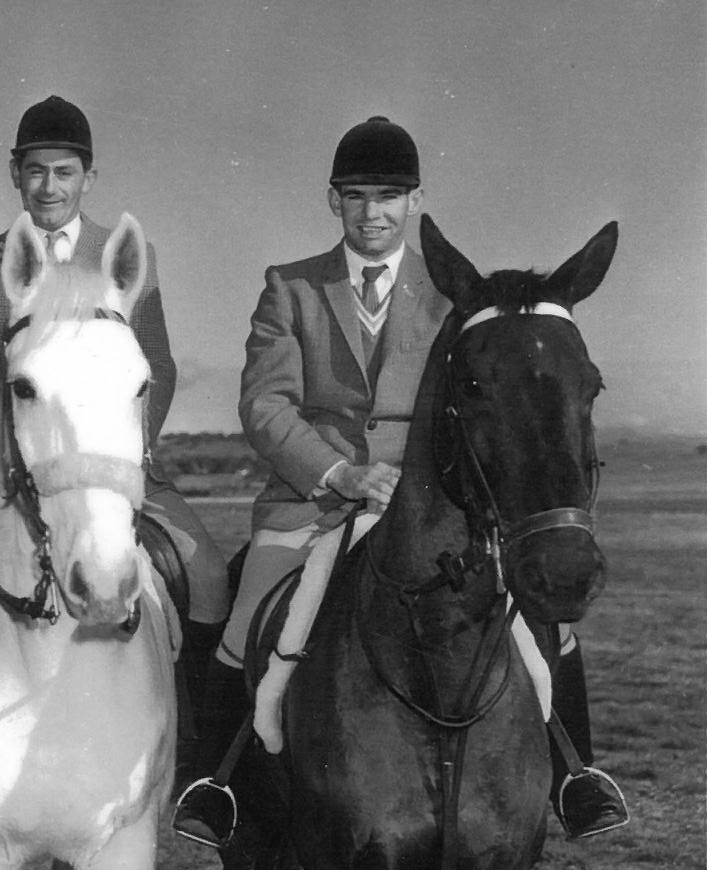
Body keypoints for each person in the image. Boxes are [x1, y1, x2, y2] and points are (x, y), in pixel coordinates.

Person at [171, 115, 629, 847]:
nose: (372, 212)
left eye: (389, 196)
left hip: (430, 503)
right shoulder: (289, 288)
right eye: (356, 196)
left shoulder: (455, 295)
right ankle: (214, 781)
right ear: (333, 201)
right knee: (245, 609)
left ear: (414, 202)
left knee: (547, 626)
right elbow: (265, 404)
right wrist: (341, 471)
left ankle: (578, 775)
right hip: (312, 500)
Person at [0, 95, 230, 791]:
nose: (49, 187)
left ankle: (193, 744)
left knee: (205, 575)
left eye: (64, 172)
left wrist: (121, 456)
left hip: (104, 468)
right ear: (15, 174)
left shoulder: (125, 264)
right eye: (36, 172)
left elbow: (159, 365)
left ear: (88, 176)